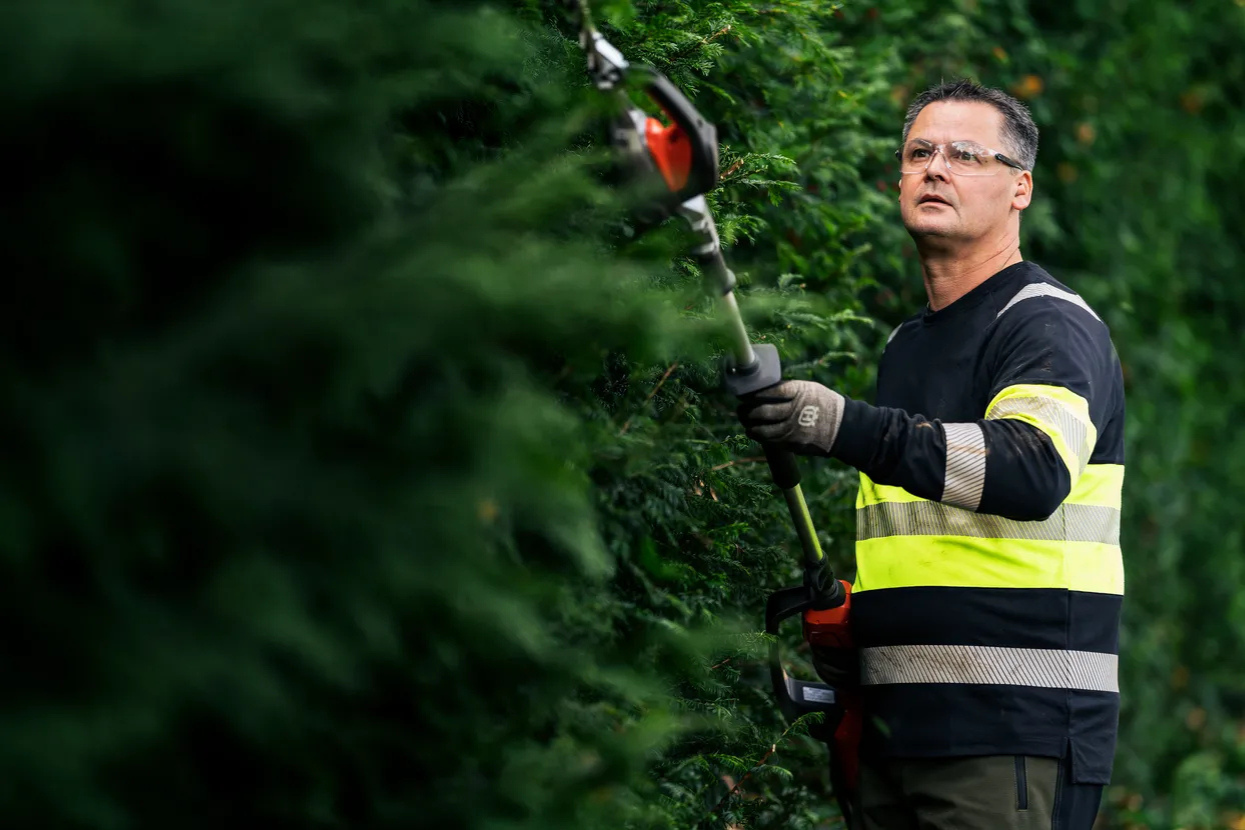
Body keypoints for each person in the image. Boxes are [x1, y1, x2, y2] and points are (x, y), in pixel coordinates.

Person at [737, 79, 1125, 830]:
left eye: (965, 155)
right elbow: (931, 542)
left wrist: (843, 425)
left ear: (1020, 188)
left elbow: (1030, 468)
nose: (935, 168)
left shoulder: (1047, 326)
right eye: (919, 153)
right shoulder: (907, 345)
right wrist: (864, 629)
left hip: (1012, 732)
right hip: (895, 729)